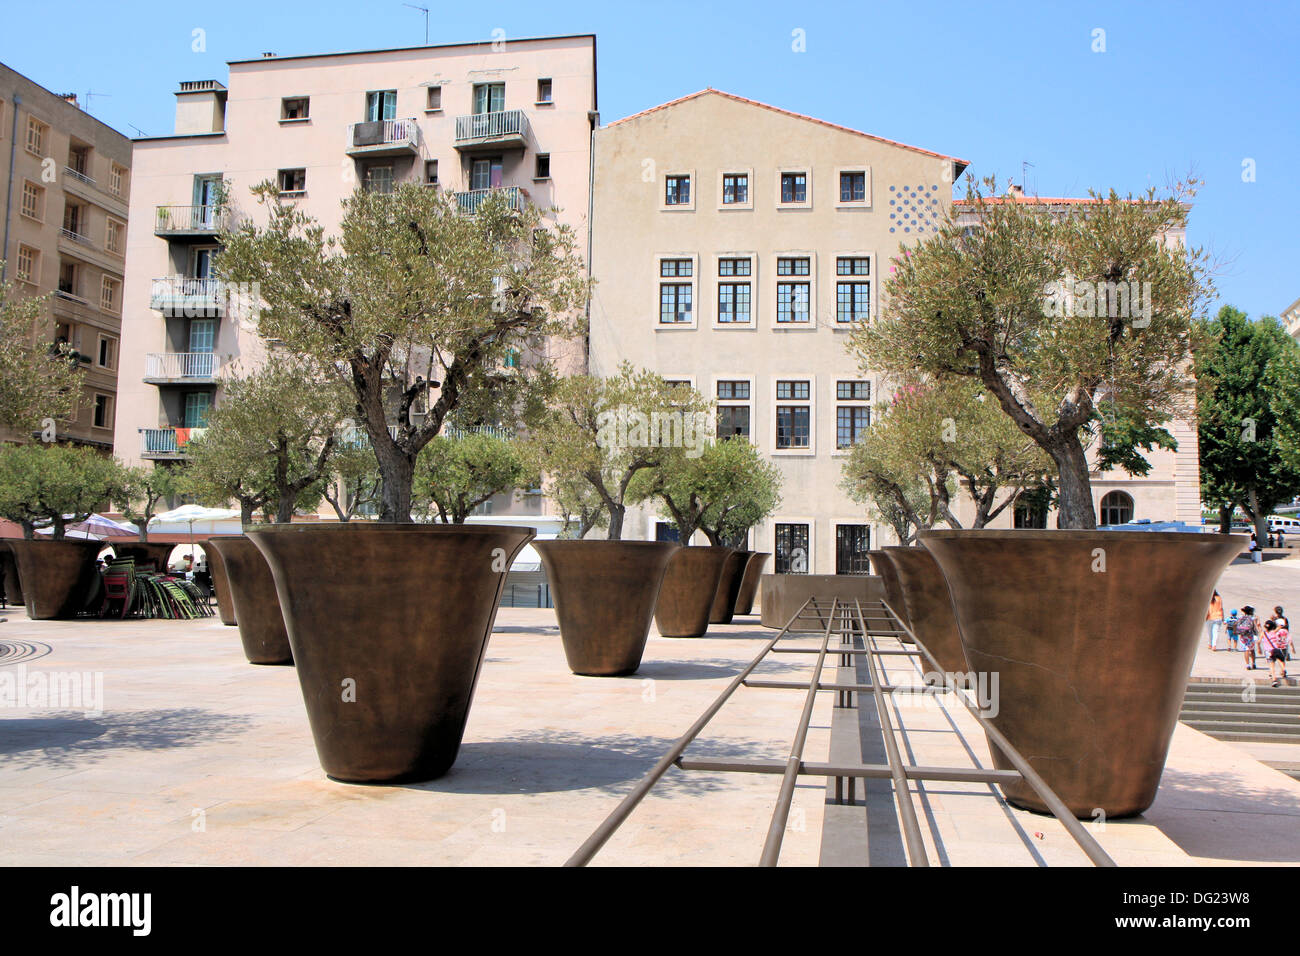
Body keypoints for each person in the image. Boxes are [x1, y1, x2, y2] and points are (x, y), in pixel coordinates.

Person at [1261, 619, 1289, 686]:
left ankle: (1274, 680)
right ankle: (1283, 669)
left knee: (1272, 666)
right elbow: (1280, 626)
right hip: (1276, 649)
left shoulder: (1263, 633)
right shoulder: (1274, 632)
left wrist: (1259, 648)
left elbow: (1258, 641)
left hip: (1268, 651)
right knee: (1280, 660)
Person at [1236, 605, 1260, 670]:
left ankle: (1247, 664)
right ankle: (1254, 663)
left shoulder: (1241, 617)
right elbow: (1254, 627)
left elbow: (1236, 624)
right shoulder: (1252, 618)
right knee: (1252, 649)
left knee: (1246, 650)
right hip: (1250, 636)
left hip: (1243, 636)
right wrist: (1257, 634)